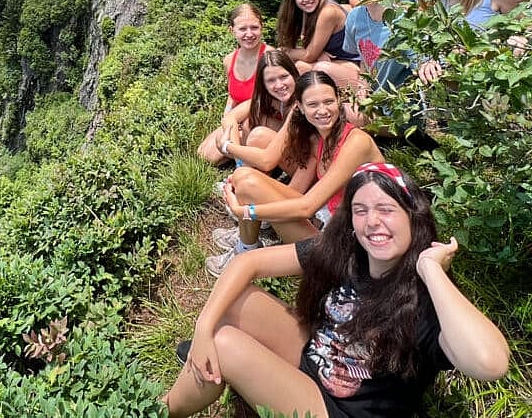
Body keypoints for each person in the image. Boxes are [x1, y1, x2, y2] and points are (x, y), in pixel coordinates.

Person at [162, 163, 511, 418]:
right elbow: (246, 264)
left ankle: (159, 409)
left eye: (386, 210)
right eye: (361, 211)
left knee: (225, 345)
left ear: (413, 217)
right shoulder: (350, 254)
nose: (373, 221)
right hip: (314, 362)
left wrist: (430, 269)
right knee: (236, 300)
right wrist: (202, 328)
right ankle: (215, 365)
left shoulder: (426, 300)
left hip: (340, 411)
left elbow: (490, 363)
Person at [206, 71, 383, 276]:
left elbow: (306, 207)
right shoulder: (320, 138)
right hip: (330, 222)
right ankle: (246, 243)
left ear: (339, 100)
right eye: (313, 104)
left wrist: (246, 211)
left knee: (248, 186)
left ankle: (244, 249)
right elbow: (297, 193)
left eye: (328, 102)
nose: (323, 110)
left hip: (349, 250)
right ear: (300, 106)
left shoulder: (357, 142)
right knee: (244, 177)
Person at [196, 3, 270, 165]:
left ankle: (243, 164)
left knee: (240, 136)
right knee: (204, 155)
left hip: (264, 120)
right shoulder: (229, 60)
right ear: (232, 31)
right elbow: (233, 95)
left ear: (262, 27)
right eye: (243, 29)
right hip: (238, 120)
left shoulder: (270, 57)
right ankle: (241, 155)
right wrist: (227, 118)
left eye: (254, 28)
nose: (249, 34)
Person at [198, 49, 299, 166]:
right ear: (264, 84)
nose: (279, 85)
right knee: (207, 151)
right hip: (280, 148)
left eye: (284, 76)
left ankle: (248, 169)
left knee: (258, 135)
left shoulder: (301, 101)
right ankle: (244, 164)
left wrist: (230, 147)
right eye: (271, 80)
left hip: (300, 161)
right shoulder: (270, 98)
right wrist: (237, 155)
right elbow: (230, 118)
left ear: (293, 74)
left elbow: (267, 159)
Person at [276, 0, 361, 88]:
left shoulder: (328, 12)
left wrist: (283, 50)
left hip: (352, 65)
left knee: (307, 67)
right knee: (296, 66)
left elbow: (308, 55)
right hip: (335, 62)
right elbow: (307, 49)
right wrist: (318, 52)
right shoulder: (305, 12)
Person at [343, 0, 412, 94]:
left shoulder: (404, 18)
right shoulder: (354, 17)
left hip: (402, 95)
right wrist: (363, 85)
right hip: (373, 92)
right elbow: (364, 59)